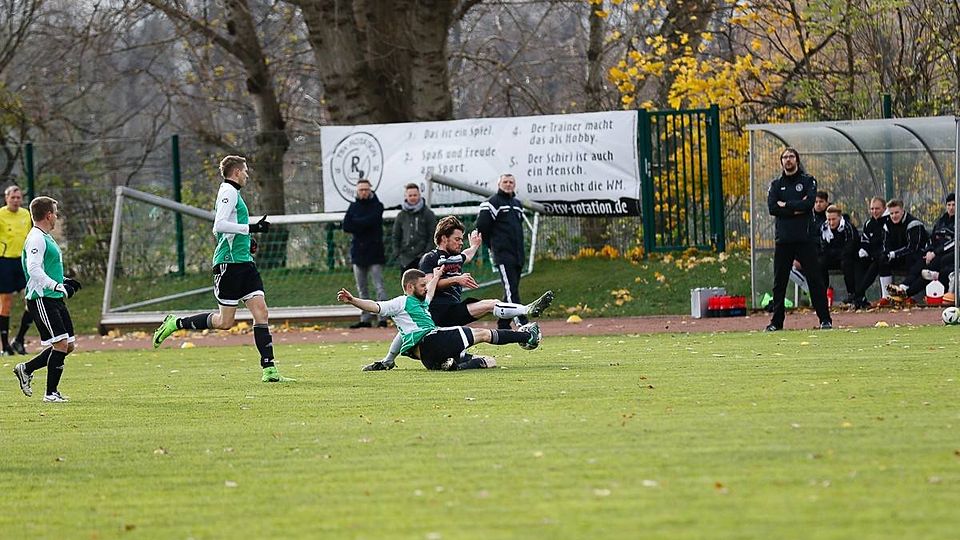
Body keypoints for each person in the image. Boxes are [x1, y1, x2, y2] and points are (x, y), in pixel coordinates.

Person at [152, 155, 292, 383]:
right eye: (245, 171)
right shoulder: (228, 191)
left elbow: (225, 229)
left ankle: (269, 370)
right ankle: (175, 323)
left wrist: (247, 241)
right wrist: (251, 228)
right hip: (228, 264)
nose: (247, 175)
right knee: (225, 323)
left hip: (245, 262)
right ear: (236, 172)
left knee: (262, 313)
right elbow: (219, 225)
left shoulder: (234, 193)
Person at [362, 216, 554, 371]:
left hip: (452, 310)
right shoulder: (430, 258)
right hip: (436, 312)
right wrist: (456, 279)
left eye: (462, 239)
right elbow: (428, 284)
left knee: (490, 304)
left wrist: (475, 246)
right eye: (457, 239)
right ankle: (399, 361)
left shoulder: (455, 257)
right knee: (416, 331)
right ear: (443, 238)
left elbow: (467, 256)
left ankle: (527, 309)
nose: (460, 243)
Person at [338, 267, 542, 371]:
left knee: (490, 361)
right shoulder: (401, 302)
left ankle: (454, 364)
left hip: (428, 359)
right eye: (421, 285)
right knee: (483, 334)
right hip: (433, 340)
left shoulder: (419, 306)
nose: (425, 288)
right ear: (409, 287)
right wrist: (354, 300)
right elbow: (375, 306)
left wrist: (436, 277)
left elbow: (430, 292)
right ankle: (527, 336)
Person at [11, 196, 82, 402]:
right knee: (60, 344)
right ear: (48, 215)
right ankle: (51, 394)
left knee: (68, 345)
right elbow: (34, 269)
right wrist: (57, 286)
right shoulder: (36, 238)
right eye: (55, 213)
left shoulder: (45, 236)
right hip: (42, 298)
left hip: (54, 298)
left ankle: (26, 369)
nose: (57, 217)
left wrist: (65, 280)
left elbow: (47, 268)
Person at [765, 148, 832, 331]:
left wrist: (785, 205)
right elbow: (772, 208)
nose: (788, 160)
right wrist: (795, 209)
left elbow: (808, 204)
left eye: (791, 157)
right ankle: (776, 322)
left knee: (815, 280)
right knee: (779, 283)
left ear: (797, 160)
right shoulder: (776, 184)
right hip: (783, 240)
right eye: (785, 157)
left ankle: (825, 319)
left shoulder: (808, 181)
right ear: (781, 161)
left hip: (805, 239)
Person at [851, 199, 928, 309]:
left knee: (912, 259)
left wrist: (893, 254)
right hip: (898, 257)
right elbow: (885, 245)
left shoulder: (914, 224)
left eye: (896, 213)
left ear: (902, 211)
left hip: (916, 258)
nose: (894, 216)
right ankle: (882, 297)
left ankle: (907, 294)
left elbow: (913, 248)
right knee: (880, 261)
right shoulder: (886, 225)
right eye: (891, 213)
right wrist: (887, 254)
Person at [477, 173, 527, 330]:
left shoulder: (517, 204)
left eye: (511, 182)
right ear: (499, 184)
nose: (508, 184)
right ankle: (522, 323)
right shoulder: (492, 203)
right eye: (505, 181)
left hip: (518, 254)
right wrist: (492, 246)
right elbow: (482, 226)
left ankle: (503, 324)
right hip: (502, 253)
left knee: (511, 290)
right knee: (511, 290)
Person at [888, 193, 955, 301]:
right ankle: (904, 287)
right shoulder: (941, 221)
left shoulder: (957, 222)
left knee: (927, 271)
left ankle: (906, 294)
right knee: (921, 264)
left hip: (947, 256)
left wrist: (935, 253)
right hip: (933, 254)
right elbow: (932, 239)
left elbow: (955, 243)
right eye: (949, 205)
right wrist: (929, 251)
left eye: (954, 205)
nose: (951, 208)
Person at [342, 178, 387, 328]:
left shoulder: (378, 206)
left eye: (366, 189)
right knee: (362, 288)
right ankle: (365, 319)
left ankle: (382, 317)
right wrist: (362, 223)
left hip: (375, 252)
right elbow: (346, 226)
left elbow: (371, 221)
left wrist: (357, 223)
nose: (364, 192)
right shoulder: (353, 206)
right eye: (361, 190)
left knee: (379, 286)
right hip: (358, 253)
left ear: (370, 190)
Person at [0, 185, 34, 355]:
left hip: (22, 263)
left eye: (18, 197)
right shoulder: (1, 214)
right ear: (6, 198)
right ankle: (5, 345)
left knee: (32, 301)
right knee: (6, 303)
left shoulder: (26, 214)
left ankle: (19, 339)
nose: (15, 200)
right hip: (5, 262)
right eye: (12, 197)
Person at [818, 204, 859, 301]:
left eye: (834, 219)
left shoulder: (848, 227)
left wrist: (835, 252)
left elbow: (850, 248)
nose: (831, 222)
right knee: (820, 263)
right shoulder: (824, 228)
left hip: (846, 258)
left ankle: (851, 294)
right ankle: (823, 294)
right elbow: (823, 248)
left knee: (847, 263)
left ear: (839, 217)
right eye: (829, 219)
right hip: (832, 257)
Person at [393, 183, 436, 271]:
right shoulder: (401, 215)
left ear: (419, 195)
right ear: (406, 196)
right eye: (410, 195)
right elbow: (396, 235)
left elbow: (433, 235)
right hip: (405, 259)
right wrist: (397, 253)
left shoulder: (428, 214)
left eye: (415, 195)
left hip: (423, 258)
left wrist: (426, 253)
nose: (412, 197)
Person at [852, 196, 888, 303]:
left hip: (883, 257)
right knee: (857, 263)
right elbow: (865, 240)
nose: (874, 211)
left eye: (877, 208)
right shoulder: (869, 223)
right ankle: (859, 297)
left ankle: (858, 294)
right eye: (872, 209)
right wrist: (863, 250)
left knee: (875, 265)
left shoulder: (888, 222)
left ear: (884, 208)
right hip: (871, 256)